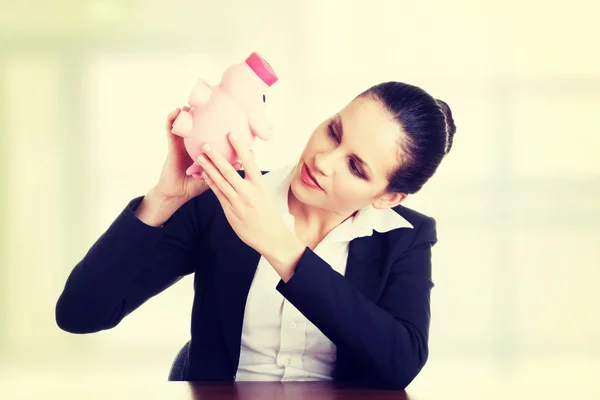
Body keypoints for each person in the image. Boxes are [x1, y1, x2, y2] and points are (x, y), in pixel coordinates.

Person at [55, 81, 456, 390]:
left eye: (355, 166)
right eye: (333, 132)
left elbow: (399, 364)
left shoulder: (405, 235)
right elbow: (79, 314)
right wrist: (161, 200)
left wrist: (282, 248)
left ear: (388, 196)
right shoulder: (224, 198)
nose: (322, 160)